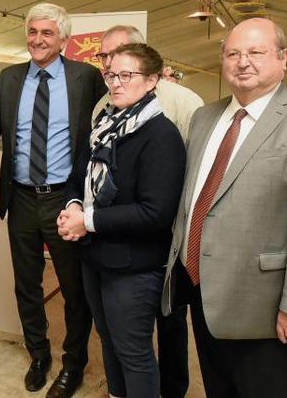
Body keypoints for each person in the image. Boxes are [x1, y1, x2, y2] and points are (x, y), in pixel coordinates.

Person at [161, 18, 287, 398]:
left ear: (283, 59)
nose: (242, 61)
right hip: (204, 295)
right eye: (233, 53)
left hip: (268, 308)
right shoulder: (204, 118)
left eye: (256, 52)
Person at [0, 3, 106, 398]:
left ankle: (73, 364)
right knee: (26, 285)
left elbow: (107, 124)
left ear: (64, 40)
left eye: (47, 33)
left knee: (74, 289)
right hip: (19, 197)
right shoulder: (9, 77)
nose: (37, 39)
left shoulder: (86, 78)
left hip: (65, 199)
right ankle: (38, 354)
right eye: (33, 31)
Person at [58, 43, 185, 398]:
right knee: (109, 342)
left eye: (126, 75)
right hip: (96, 257)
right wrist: (72, 207)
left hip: (134, 266)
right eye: (111, 74)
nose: (115, 83)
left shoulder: (161, 136)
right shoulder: (105, 124)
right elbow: (78, 175)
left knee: (133, 351)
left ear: (152, 81)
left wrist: (89, 220)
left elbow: (155, 212)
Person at [93, 24, 202, 398]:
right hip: (109, 245)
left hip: (159, 246)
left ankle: (172, 391)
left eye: (124, 63)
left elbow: (182, 186)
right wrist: (78, 207)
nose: (114, 71)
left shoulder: (180, 108)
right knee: (122, 340)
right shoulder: (104, 112)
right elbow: (91, 170)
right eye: (107, 62)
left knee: (166, 328)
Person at [93, 25, 204, 141]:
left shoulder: (184, 102)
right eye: (104, 56)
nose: (108, 62)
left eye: (118, 52)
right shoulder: (101, 108)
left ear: (141, 53)